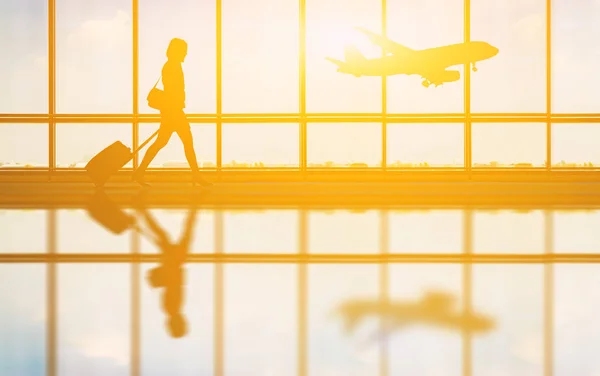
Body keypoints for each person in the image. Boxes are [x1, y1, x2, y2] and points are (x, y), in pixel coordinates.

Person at [133, 38, 212, 188]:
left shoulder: (171, 65)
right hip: (173, 111)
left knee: (162, 142)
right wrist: (176, 107)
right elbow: (173, 90)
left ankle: (139, 172)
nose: (186, 53)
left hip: (171, 111)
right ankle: (196, 175)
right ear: (177, 51)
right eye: (184, 50)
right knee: (186, 142)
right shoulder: (172, 67)